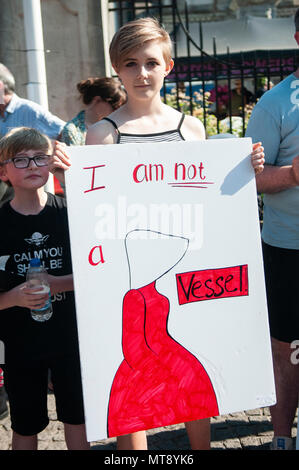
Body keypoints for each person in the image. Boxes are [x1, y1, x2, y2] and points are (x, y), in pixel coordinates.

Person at [57, 17, 264, 451]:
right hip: (128, 269)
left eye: (151, 62)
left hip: (183, 261)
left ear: (168, 65)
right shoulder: (102, 134)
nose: (142, 73)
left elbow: (210, 197)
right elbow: (94, 213)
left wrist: (245, 169)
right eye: (130, 64)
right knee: (134, 388)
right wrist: (68, 177)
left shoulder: (190, 128)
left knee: (190, 378)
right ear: (118, 70)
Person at [0, 127, 89, 450]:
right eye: (20, 160)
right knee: (25, 425)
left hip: (71, 337)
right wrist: (13, 297)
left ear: (50, 162)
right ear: (3, 171)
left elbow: (99, 275)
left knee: (78, 419)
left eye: (39, 157)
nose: (32, 165)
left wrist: (57, 284)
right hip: (19, 344)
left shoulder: (72, 214)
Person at [245, 8, 299, 451]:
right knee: (286, 350)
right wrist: (295, 174)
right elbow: (250, 180)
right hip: (288, 248)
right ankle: (281, 438)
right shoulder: (276, 103)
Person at [0, 63, 66, 201]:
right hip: (7, 177)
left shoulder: (30, 110)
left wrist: (57, 160)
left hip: (22, 185)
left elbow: (67, 133)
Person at [60, 77, 126, 146]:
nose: (117, 111)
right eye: (115, 107)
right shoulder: (72, 131)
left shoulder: (117, 128)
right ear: (97, 100)